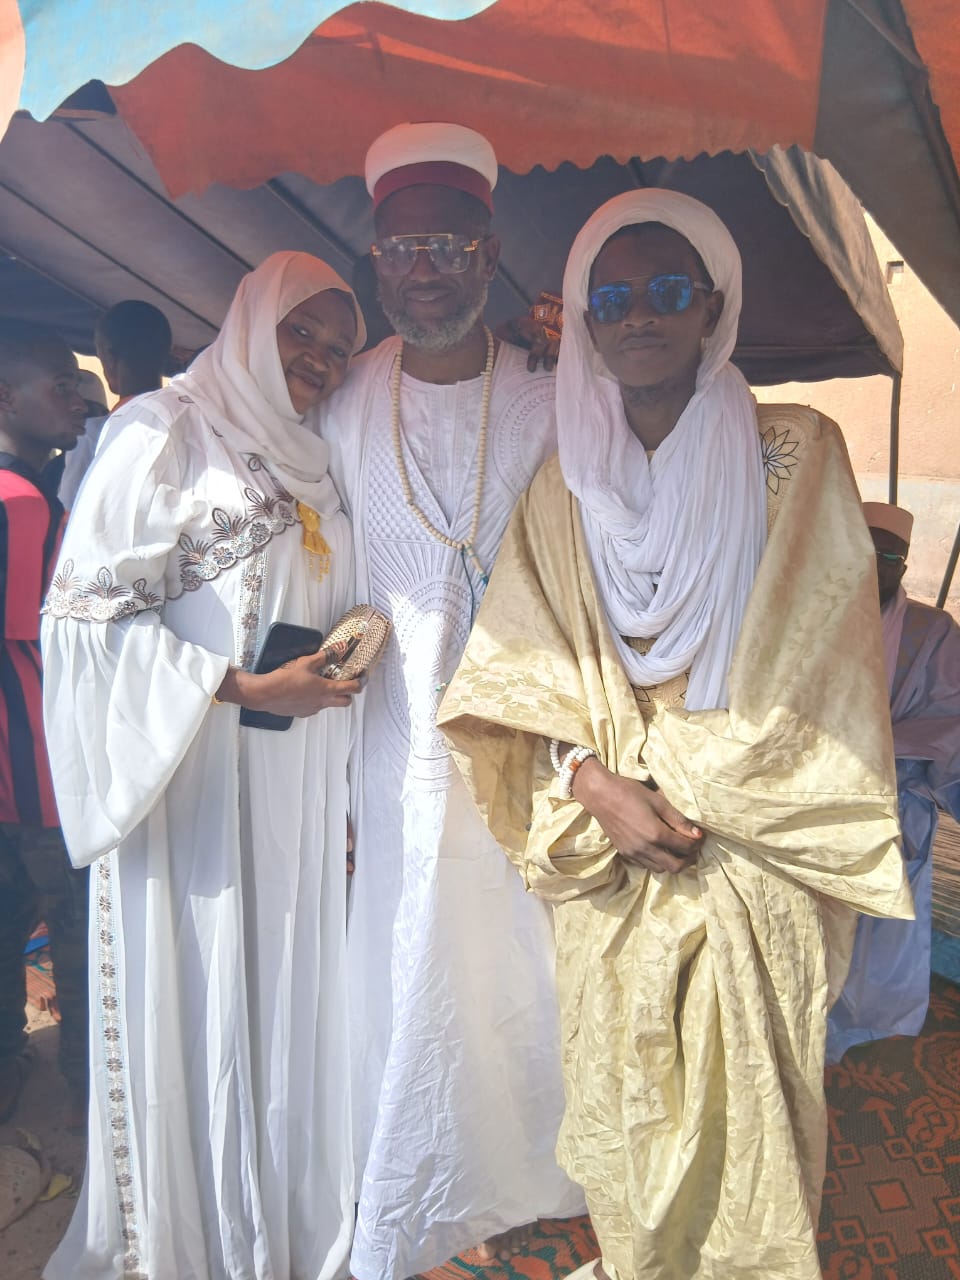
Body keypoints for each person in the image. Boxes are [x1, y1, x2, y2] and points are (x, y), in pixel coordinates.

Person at [438, 190, 913, 1280]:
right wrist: (594, 783)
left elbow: (819, 659)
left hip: (752, 843)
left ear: (712, 308)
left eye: (665, 290)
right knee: (625, 1098)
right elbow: (518, 669)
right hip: (610, 848)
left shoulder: (794, 451)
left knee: (754, 1121)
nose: (639, 315)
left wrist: (666, 785)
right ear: (585, 323)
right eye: (611, 299)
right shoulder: (564, 487)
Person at [41, 252, 367, 1280]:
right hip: (187, 783)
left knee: (275, 999)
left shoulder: (320, 457)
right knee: (194, 991)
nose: (318, 358)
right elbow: (83, 621)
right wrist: (240, 687)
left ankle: (270, 1222)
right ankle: (189, 1239)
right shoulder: (165, 432)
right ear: (251, 319)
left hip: (292, 784)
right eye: (300, 330)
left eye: (337, 345)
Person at [320, 122, 583, 1280]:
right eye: (401, 247)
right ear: (376, 259)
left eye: (447, 245)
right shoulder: (342, 398)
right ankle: (411, 1169)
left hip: (525, 741)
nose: (422, 268)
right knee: (406, 947)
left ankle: (529, 1167)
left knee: (520, 957)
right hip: (390, 748)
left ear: (490, 254)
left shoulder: (549, 398)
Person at [828, 501, 960, 1061]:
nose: (874, 567)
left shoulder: (933, 631)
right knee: (818, 924)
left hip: (895, 799)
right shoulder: (811, 617)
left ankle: (873, 1025)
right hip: (817, 795)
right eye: (864, 551)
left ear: (904, 567)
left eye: (888, 558)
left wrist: (878, 749)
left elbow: (949, 718)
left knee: (881, 932)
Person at [0, 320, 89, 1130]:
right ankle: (96, 1096)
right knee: (78, 939)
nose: (78, 396)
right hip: (41, 775)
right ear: (6, 398)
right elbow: (48, 640)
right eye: (59, 383)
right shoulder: (24, 504)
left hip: (13, 773)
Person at [59, 301, 172, 511]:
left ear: (108, 356)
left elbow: (70, 512)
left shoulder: (92, 436)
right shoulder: (191, 425)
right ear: (167, 354)